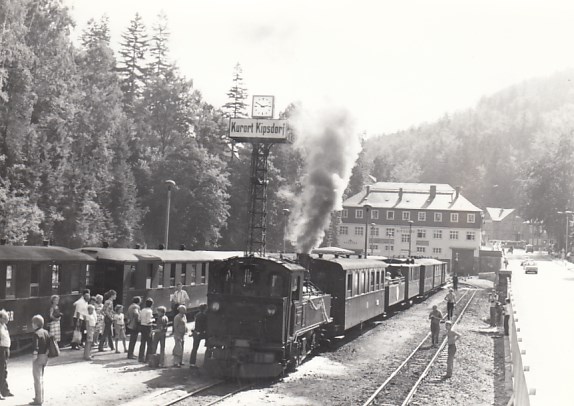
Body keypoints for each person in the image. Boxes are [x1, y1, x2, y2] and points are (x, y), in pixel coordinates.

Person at [31, 314, 50, 405]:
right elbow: (49, 345)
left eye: (32, 323)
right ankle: (41, 397)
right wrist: (46, 354)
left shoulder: (36, 334)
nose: (32, 324)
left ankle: (38, 400)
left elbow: (36, 347)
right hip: (45, 357)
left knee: (37, 379)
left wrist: (34, 357)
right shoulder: (46, 332)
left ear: (36, 324)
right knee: (41, 378)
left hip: (38, 357)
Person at [0, 310, 13, 399]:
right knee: (1, 371)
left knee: (4, 370)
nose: (7, 320)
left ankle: (5, 391)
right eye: (5, 318)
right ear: (0, 318)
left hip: (5, 349)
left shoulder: (4, 326)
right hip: (1, 350)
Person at [138, 298, 154, 363]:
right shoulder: (150, 311)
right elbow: (148, 321)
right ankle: (148, 358)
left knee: (143, 342)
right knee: (150, 343)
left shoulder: (142, 310)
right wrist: (153, 320)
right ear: (152, 304)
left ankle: (141, 357)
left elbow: (139, 319)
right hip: (148, 327)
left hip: (142, 326)